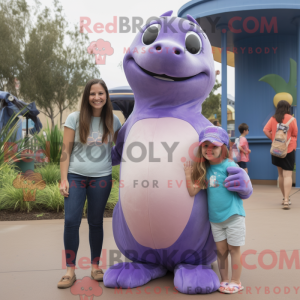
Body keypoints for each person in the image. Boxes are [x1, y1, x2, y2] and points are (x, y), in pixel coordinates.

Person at [57, 79, 122, 288]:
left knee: (95, 223)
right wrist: (64, 179)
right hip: (75, 176)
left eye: (101, 93)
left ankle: (95, 267)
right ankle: (70, 270)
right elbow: (65, 151)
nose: (97, 97)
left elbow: (122, 150)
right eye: (93, 94)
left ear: (106, 96)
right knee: (71, 222)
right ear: (87, 96)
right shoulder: (74, 119)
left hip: (101, 178)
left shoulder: (114, 121)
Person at [184, 126, 246, 294]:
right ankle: (225, 280)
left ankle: (236, 281)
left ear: (223, 148)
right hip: (216, 219)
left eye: (214, 146)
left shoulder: (230, 166)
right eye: (205, 146)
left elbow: (244, 185)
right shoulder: (205, 170)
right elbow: (192, 191)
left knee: (234, 249)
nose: (209, 150)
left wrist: (246, 186)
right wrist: (188, 175)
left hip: (233, 216)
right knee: (221, 251)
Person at [263, 100, 298, 209]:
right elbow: (295, 134)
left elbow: (265, 130)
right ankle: (287, 200)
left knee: (281, 175)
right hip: (289, 149)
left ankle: (284, 198)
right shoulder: (292, 119)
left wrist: (273, 139)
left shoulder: (274, 118)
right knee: (288, 175)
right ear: (288, 107)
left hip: (277, 150)